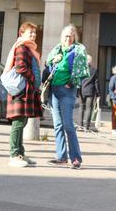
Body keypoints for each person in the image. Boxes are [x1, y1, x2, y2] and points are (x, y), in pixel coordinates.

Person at [46, 24, 90, 168]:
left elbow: (82, 69)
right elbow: (47, 64)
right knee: (58, 125)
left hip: (67, 90)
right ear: (62, 37)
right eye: (65, 36)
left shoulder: (79, 49)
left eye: (70, 36)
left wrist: (71, 83)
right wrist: (54, 60)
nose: (68, 39)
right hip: (54, 90)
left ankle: (76, 158)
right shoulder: (57, 49)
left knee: (68, 125)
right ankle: (61, 157)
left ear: (74, 37)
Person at [5, 22, 41, 168]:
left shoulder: (28, 48)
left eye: (34, 32)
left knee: (22, 122)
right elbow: (21, 67)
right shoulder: (21, 47)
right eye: (30, 32)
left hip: (25, 89)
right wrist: (32, 79)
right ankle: (14, 155)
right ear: (22, 34)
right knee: (18, 123)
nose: (33, 35)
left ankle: (20, 153)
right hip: (21, 90)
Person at [79, 58, 99, 132]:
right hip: (90, 91)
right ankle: (86, 126)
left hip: (81, 90)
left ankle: (80, 125)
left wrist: (77, 91)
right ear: (90, 62)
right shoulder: (94, 70)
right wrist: (98, 93)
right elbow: (96, 82)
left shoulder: (80, 69)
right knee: (89, 108)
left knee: (81, 107)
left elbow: (78, 81)